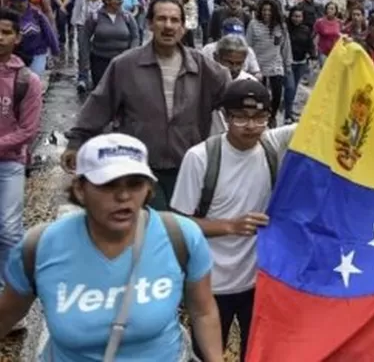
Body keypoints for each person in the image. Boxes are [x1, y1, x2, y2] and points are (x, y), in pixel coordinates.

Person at [0, 133, 224, 361]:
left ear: (148, 189)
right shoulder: (39, 247)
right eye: (108, 185)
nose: (124, 196)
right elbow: (7, 314)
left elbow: (203, 311)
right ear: (80, 189)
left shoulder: (181, 236)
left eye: (135, 184)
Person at [62, 0, 230, 210]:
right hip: (139, 168)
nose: (168, 26)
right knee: (151, 229)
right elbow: (99, 104)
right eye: (161, 19)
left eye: (174, 20)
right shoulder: (125, 65)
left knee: (181, 231)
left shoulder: (203, 67)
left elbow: (235, 95)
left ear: (183, 27)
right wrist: (76, 142)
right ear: (150, 23)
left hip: (188, 168)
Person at [171, 80, 295, 362]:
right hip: (211, 287)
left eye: (260, 118)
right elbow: (179, 225)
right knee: (206, 355)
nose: (250, 126)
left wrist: (350, 60)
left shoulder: (271, 146)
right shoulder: (201, 158)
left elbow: (325, 114)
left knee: (257, 353)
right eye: (240, 117)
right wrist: (230, 226)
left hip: (258, 284)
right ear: (225, 117)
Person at [0, 8, 42, 332]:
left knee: (9, 230)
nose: (0, 38)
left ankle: (10, 301)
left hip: (10, 163)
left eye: (6, 32)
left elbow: (28, 130)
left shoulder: (27, 80)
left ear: (16, 38)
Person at [80, 0, 140, 89]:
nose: (120, 1)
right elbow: (85, 39)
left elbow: (135, 37)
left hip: (122, 61)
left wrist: (131, 54)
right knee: (100, 90)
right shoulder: (95, 16)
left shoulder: (127, 16)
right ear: (107, 1)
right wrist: (85, 62)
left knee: (121, 90)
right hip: (99, 60)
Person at [246, 0, 292, 128]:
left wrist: (287, 64)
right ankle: (261, 114)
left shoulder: (281, 26)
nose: (267, 13)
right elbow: (248, 46)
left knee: (277, 93)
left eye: (270, 10)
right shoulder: (253, 24)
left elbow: (285, 46)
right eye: (264, 10)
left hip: (275, 64)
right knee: (260, 94)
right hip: (258, 64)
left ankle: (272, 116)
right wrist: (248, 65)